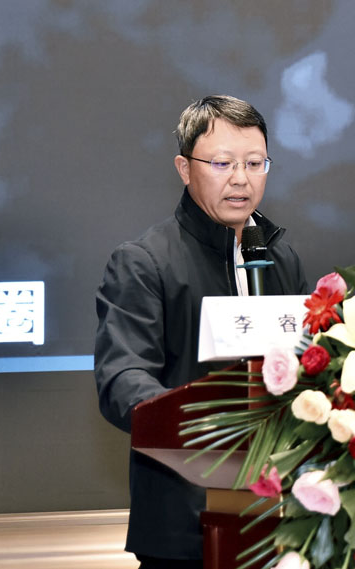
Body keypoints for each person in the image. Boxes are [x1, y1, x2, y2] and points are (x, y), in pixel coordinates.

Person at [94, 95, 309, 568]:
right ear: (185, 169)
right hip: (184, 527)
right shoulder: (144, 263)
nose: (241, 178)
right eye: (222, 163)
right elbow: (122, 381)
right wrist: (213, 427)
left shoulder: (280, 258)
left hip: (281, 524)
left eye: (255, 163)